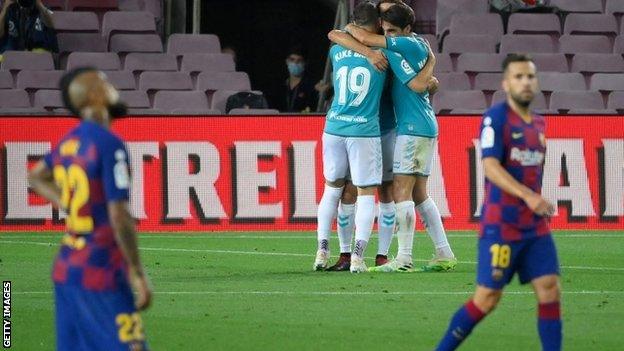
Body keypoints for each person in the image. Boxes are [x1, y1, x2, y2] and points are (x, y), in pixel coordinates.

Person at [435, 54, 561, 351]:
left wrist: (535, 201)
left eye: (530, 76)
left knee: (549, 289)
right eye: (518, 77)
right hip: (502, 225)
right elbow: (490, 166)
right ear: (506, 84)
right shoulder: (496, 118)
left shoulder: (539, 123)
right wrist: (529, 196)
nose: (525, 82)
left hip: (534, 226)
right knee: (487, 298)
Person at [27, 67, 152, 351]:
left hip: (66, 270)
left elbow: (36, 176)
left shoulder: (70, 142)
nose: (112, 86)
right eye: (105, 81)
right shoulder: (109, 144)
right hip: (101, 270)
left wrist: (70, 203)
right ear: (95, 96)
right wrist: (137, 272)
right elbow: (119, 215)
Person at [336, 3, 457, 273]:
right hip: (421, 125)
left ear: (407, 29)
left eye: (393, 31)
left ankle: (403, 259)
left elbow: (415, 84)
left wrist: (352, 28)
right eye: (386, 30)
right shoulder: (408, 45)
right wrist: (431, 67)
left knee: (401, 191)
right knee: (419, 195)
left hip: (413, 128)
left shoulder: (407, 46)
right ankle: (444, 252)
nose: (389, 35)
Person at [313, 0, 423, 273]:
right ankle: (352, 256)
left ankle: (368, 254)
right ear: (376, 23)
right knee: (361, 192)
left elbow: (335, 34)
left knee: (352, 190)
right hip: (367, 129)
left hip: (349, 126)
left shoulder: (341, 48)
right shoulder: (380, 50)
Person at [278, 46, 320, 113]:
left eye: (299, 60)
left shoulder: (311, 86)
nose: (295, 63)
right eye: (292, 60)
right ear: (287, 61)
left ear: (305, 63)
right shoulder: (281, 86)